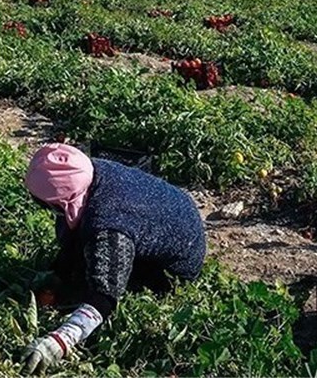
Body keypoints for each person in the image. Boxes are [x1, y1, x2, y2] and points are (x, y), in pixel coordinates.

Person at [21, 144, 206, 374]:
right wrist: (59, 272)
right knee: (79, 258)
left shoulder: (109, 225)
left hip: (174, 266)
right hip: (176, 212)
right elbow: (72, 227)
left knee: (96, 279)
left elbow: (104, 297)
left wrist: (61, 340)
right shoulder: (90, 171)